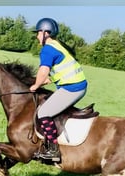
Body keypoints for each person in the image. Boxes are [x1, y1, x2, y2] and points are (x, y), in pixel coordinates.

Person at [30, 18, 88, 162]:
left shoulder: (48, 49)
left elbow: (43, 71)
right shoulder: (57, 45)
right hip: (75, 85)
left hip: (72, 88)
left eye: (38, 32)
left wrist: (35, 86)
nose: (37, 36)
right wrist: (47, 81)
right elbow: (58, 72)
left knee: (43, 113)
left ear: (45, 33)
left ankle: (53, 150)